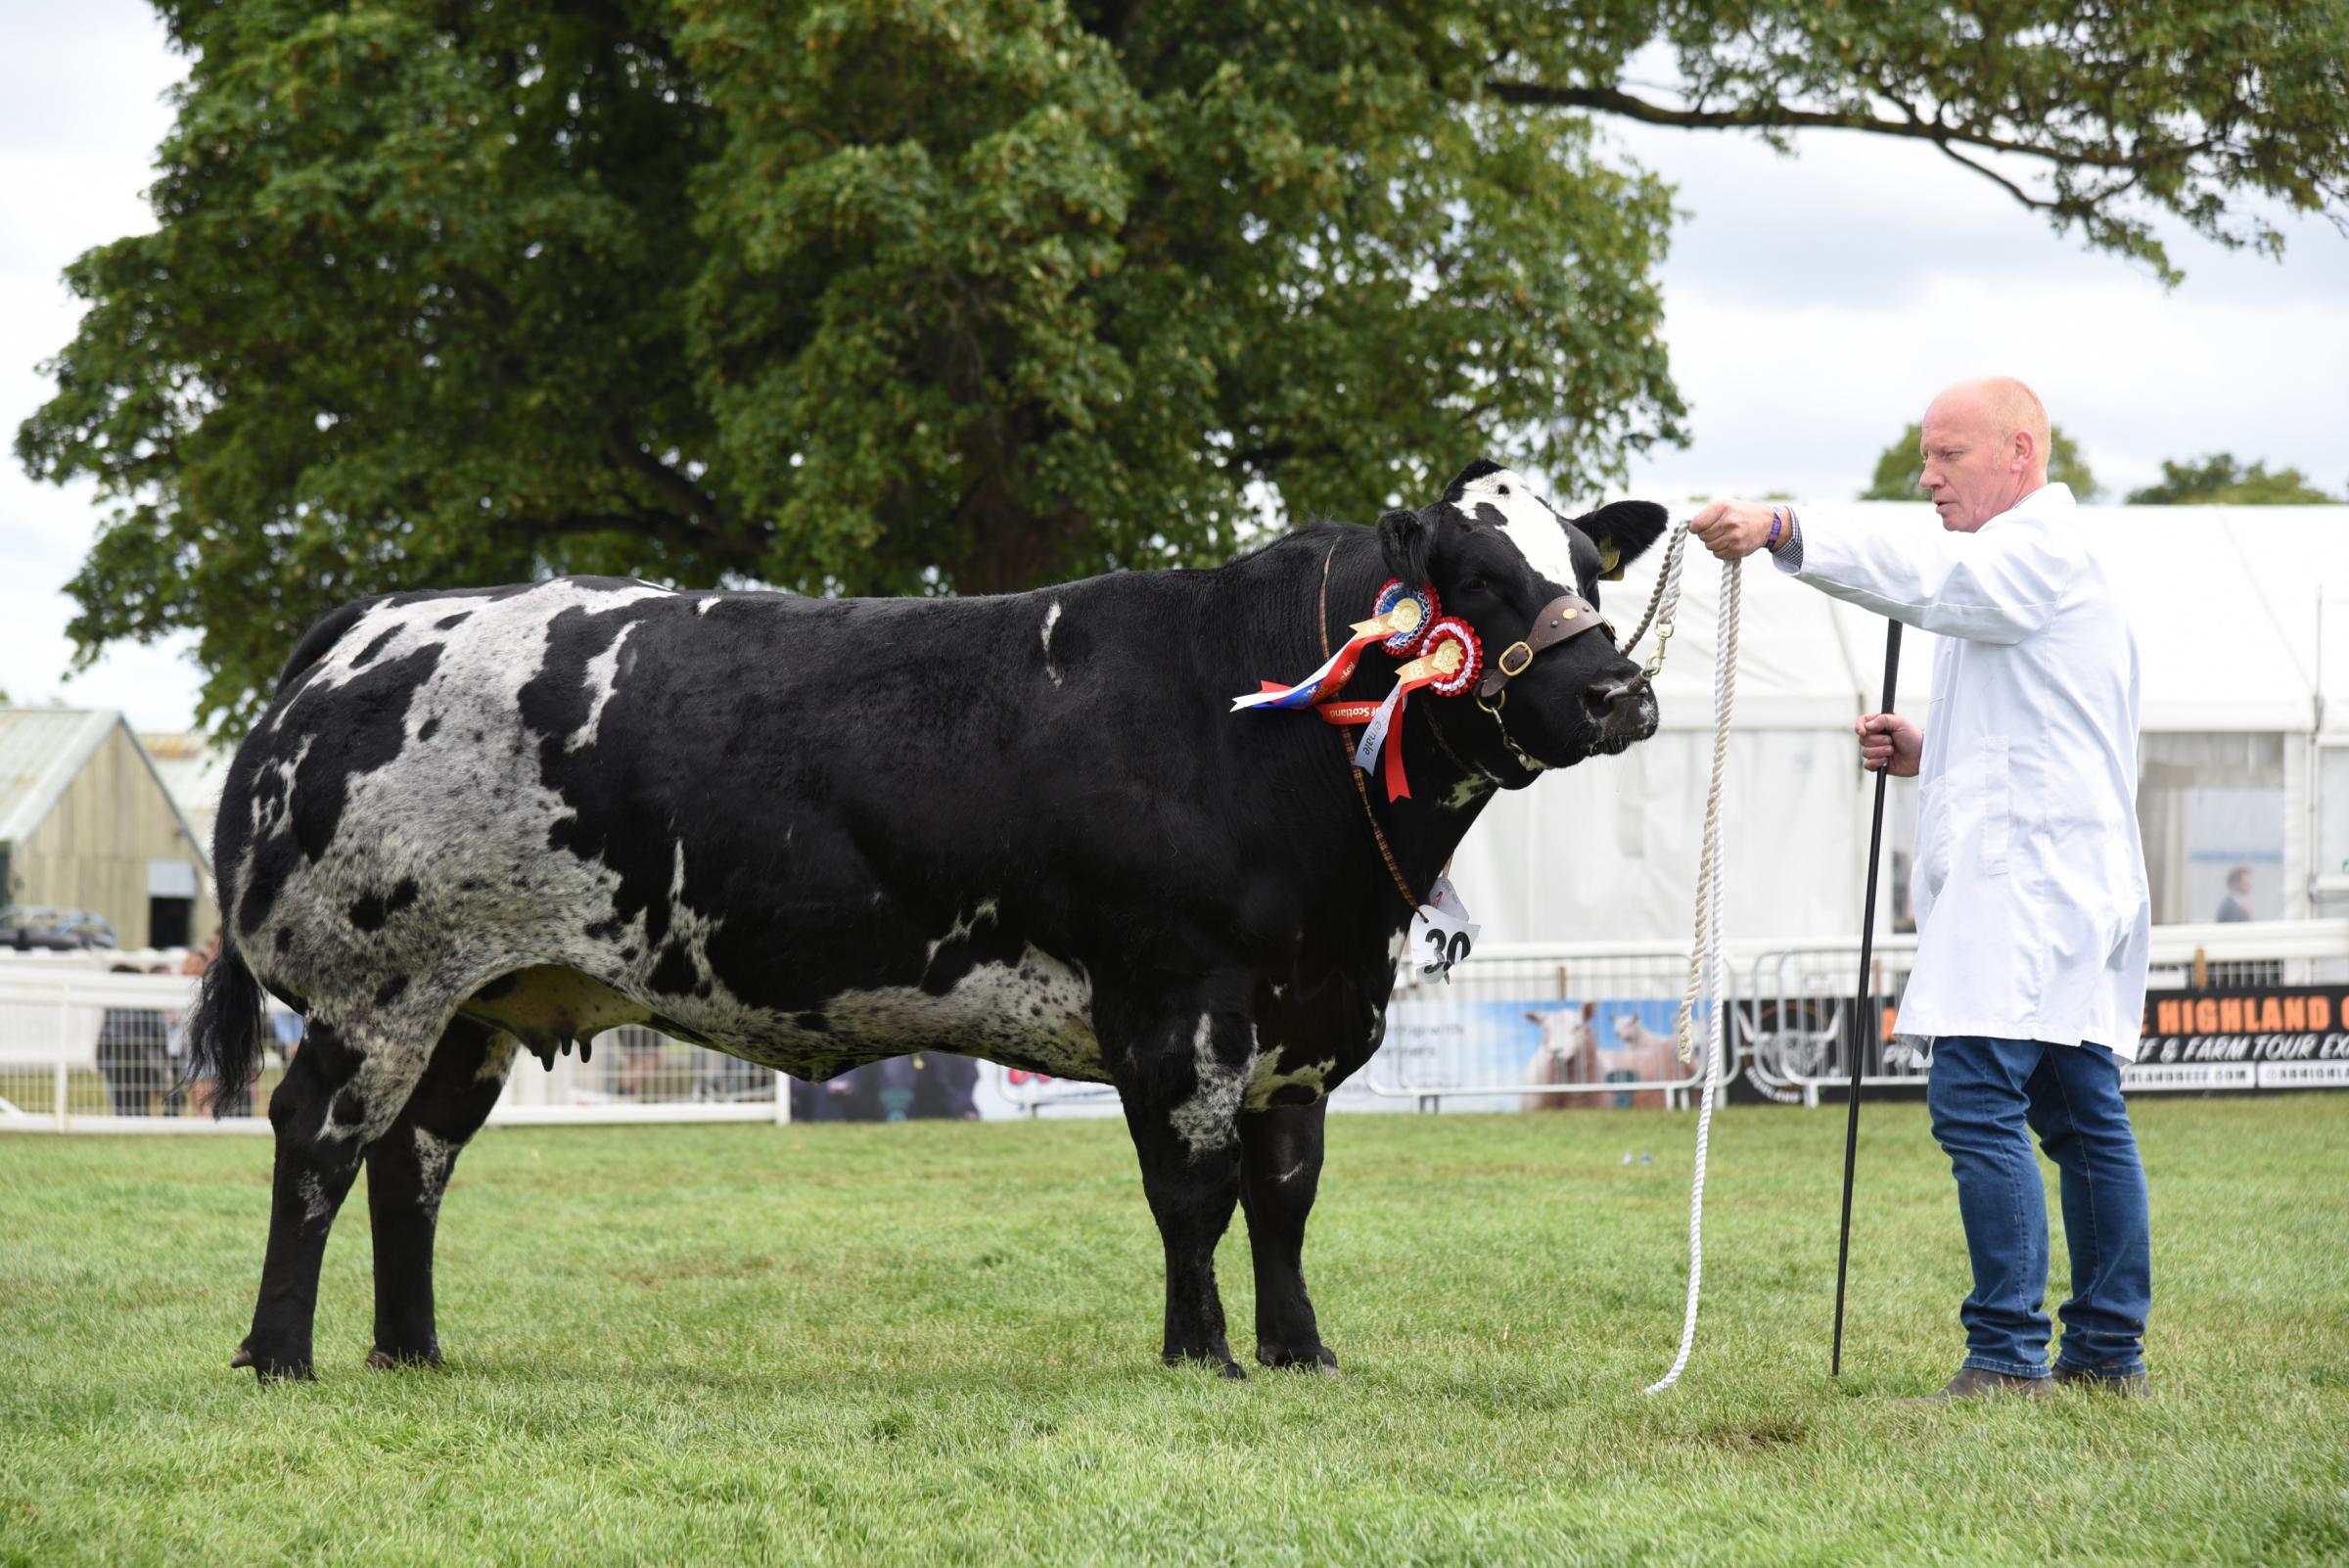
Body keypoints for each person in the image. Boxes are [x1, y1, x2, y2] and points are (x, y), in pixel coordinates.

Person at [1689, 376, 2153, 1401]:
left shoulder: (2033, 551)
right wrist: (1928, 749)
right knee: (2081, 1117)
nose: (1928, 477)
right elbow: (2050, 726)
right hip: (2059, 874)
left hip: (2030, 885)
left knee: (1977, 1102)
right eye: (1925, 458)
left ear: (2020, 453)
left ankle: (2007, 1352)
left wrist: (1781, 527)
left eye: (1949, 456)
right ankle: (2108, 1353)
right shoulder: (2045, 565)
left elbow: (1936, 579)